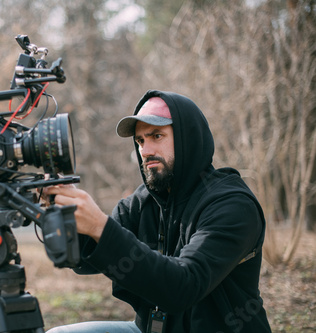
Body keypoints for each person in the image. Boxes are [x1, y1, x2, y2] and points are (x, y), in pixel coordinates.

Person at [44, 90, 272, 333]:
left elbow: (183, 288)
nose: (145, 150)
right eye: (141, 141)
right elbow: (84, 259)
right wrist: (58, 210)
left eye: (156, 135)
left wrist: (100, 226)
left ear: (188, 138)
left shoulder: (232, 205)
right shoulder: (145, 201)